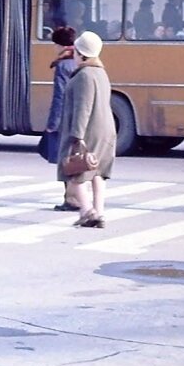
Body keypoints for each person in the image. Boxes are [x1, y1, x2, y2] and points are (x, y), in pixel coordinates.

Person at [57, 31, 116, 229]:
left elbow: (83, 107)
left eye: (76, 52)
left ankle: (87, 211)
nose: (73, 55)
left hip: (89, 129)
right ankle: (99, 212)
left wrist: (77, 135)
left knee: (75, 171)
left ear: (82, 55)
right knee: (97, 172)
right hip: (106, 129)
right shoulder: (101, 72)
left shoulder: (84, 75)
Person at [42, 26, 80, 212]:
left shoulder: (63, 65)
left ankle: (71, 199)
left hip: (65, 119)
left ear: (59, 45)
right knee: (76, 159)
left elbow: (59, 97)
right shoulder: (80, 60)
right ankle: (76, 197)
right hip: (79, 118)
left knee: (65, 160)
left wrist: (52, 124)